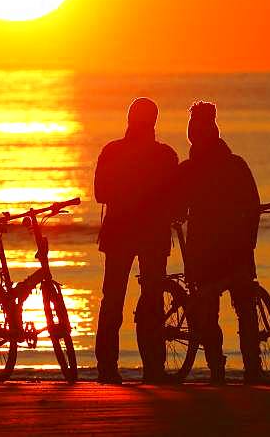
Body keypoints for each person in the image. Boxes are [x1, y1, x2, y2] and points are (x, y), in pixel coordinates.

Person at [175, 101, 262, 384]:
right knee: (245, 306)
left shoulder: (189, 170)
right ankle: (253, 368)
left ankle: (217, 368)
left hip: (204, 251)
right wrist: (250, 242)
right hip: (236, 248)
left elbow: (176, 208)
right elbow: (253, 205)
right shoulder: (236, 164)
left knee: (208, 309)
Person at [93, 97, 179, 384]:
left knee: (114, 300)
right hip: (152, 234)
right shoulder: (166, 155)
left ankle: (107, 369)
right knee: (152, 300)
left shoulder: (112, 151)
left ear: (129, 119)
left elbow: (101, 193)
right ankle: (153, 369)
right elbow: (174, 199)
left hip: (119, 232)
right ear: (154, 122)